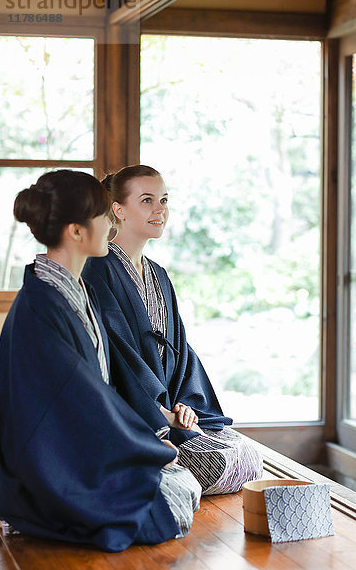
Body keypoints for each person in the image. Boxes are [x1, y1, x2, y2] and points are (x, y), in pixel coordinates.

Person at [0, 169, 201, 551]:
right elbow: (82, 400)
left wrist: (155, 435)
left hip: (74, 444)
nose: (110, 225)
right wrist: (148, 447)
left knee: (179, 484)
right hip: (49, 458)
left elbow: (95, 393)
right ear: (76, 231)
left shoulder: (67, 288)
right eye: (103, 216)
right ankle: (29, 509)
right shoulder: (43, 304)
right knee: (169, 500)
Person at [82, 165, 263, 495]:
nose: (160, 210)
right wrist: (161, 413)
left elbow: (180, 350)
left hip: (169, 405)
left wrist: (184, 405)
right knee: (214, 465)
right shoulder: (98, 268)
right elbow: (116, 355)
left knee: (247, 458)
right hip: (134, 411)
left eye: (164, 200)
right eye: (147, 200)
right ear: (118, 210)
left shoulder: (159, 274)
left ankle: (174, 452)